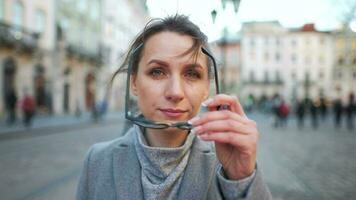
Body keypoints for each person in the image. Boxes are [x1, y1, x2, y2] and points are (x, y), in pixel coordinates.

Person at [76, 15, 271, 200]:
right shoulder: (97, 161)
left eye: (192, 74)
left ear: (206, 88)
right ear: (134, 82)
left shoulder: (225, 165)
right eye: (157, 72)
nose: (175, 92)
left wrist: (240, 180)